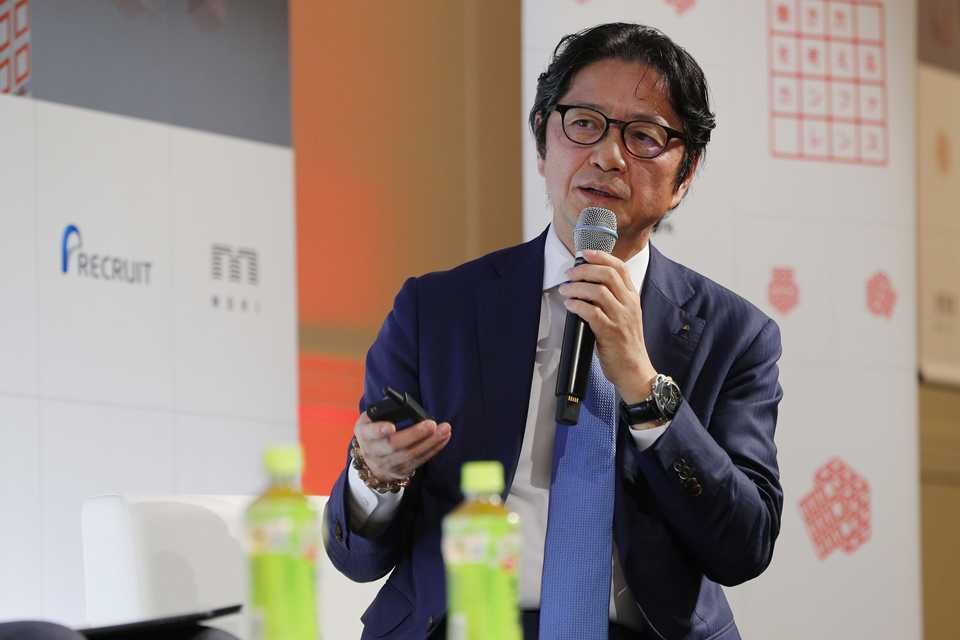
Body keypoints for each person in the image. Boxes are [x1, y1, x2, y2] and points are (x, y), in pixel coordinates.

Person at [323, 23, 783, 640]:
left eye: (643, 136)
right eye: (584, 123)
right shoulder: (436, 311)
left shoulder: (736, 336)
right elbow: (356, 558)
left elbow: (745, 547)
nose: (608, 156)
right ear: (543, 141)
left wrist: (644, 386)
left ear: (685, 174)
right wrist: (375, 475)